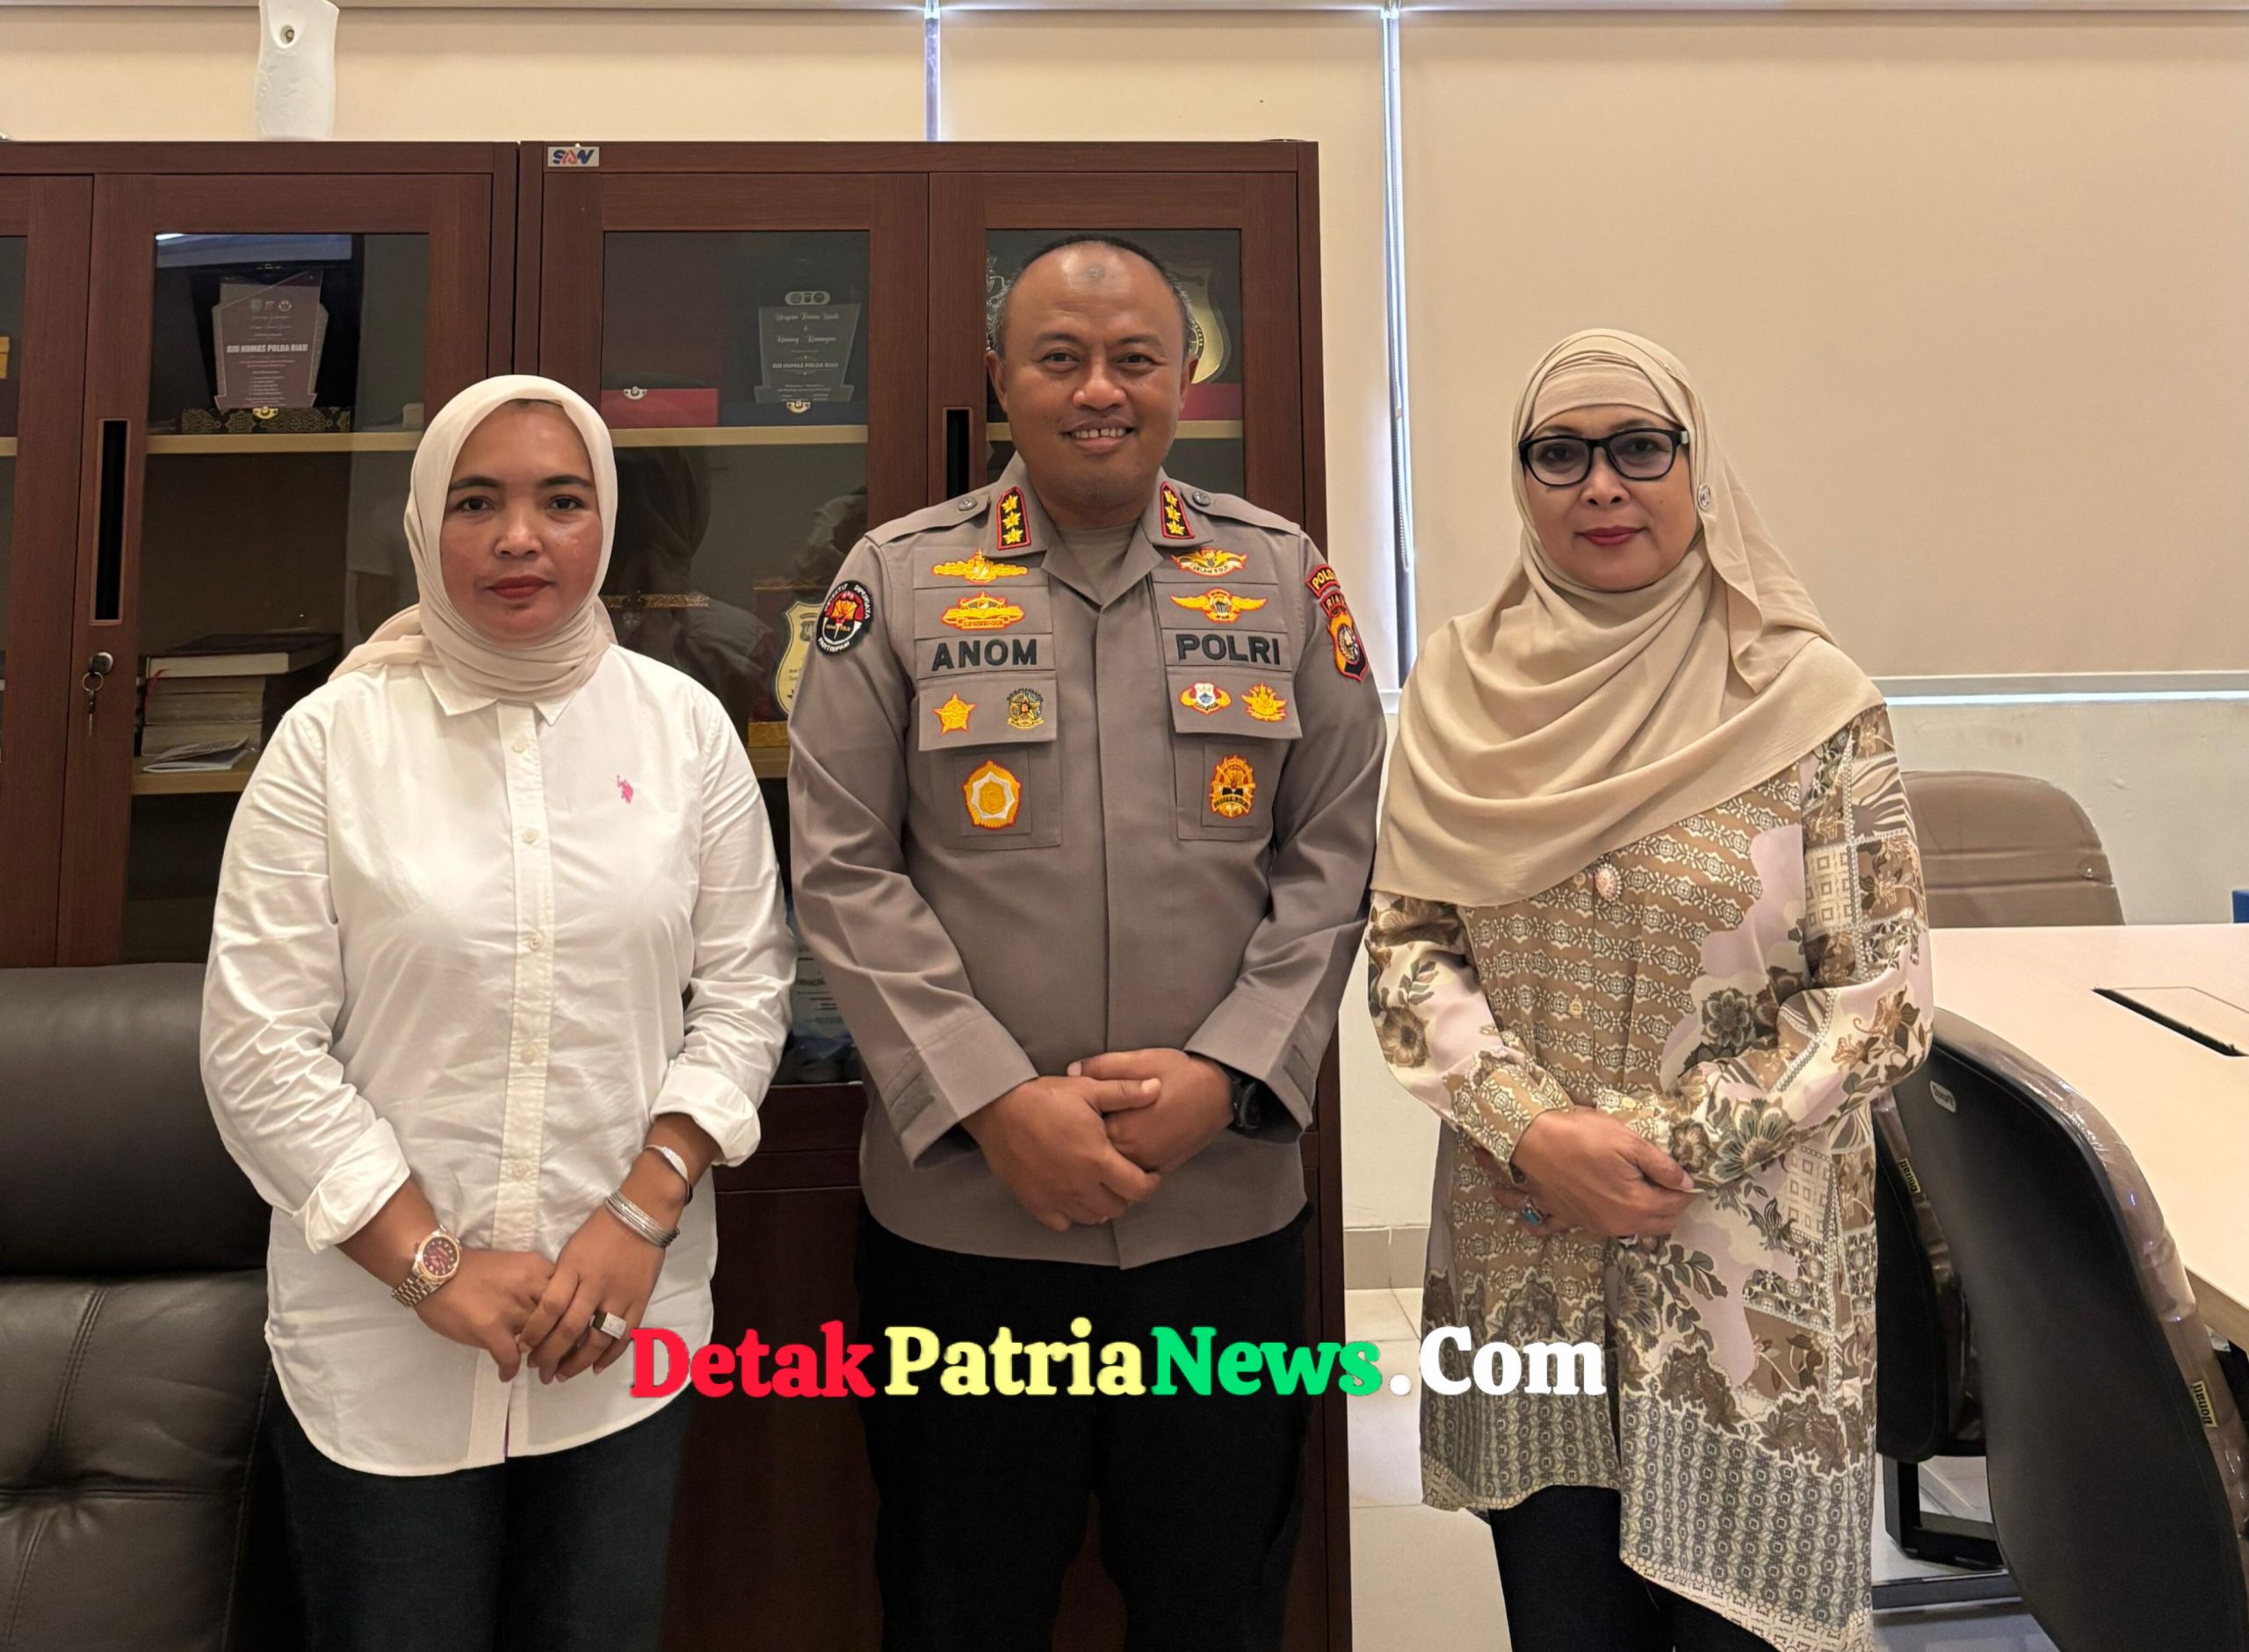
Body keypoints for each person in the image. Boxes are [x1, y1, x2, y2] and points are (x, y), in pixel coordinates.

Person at [787, 235, 1385, 1650]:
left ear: (1185, 380)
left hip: (1219, 1219)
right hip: (968, 1229)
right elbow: (842, 866)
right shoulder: (898, 580)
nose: (1099, 389)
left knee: (1217, 1606)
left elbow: (1337, 852)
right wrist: (995, 1099)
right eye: (1060, 358)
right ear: (1002, 380)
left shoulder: (1280, 576)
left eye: (1134, 359)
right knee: (960, 1605)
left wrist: (1226, 1074)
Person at [201, 374, 794, 1652]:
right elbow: (259, 1046)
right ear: (426, 523)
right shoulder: (330, 742)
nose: (519, 537)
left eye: (560, 501)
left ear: (606, 523)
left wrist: (642, 1210)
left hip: (622, 1327)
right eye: (478, 502)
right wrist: (429, 1265)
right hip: (381, 1348)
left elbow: (747, 989)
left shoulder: (686, 732)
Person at [1366, 329, 1931, 1652]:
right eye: (1560, 455)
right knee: (1562, 1617)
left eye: (1638, 447)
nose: (1602, 486)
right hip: (1523, 1256)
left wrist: (1651, 1144)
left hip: (1751, 1271)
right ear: (1522, 480)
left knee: (1746, 1628)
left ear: (1696, 466)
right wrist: (1528, 1128)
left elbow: (1879, 1003)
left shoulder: (1813, 700)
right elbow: (1406, 941)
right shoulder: (1456, 690)